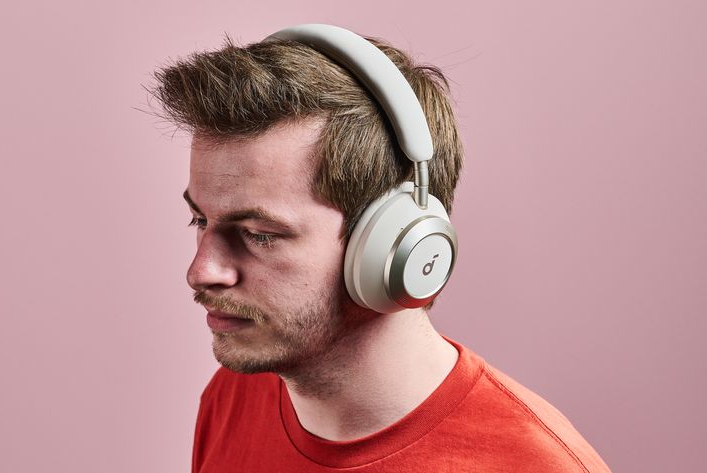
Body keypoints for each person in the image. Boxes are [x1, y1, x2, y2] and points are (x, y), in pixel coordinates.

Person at [150, 24, 611, 472]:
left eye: (259, 234)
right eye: (200, 219)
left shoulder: (533, 464)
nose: (202, 270)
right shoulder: (232, 397)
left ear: (392, 244)